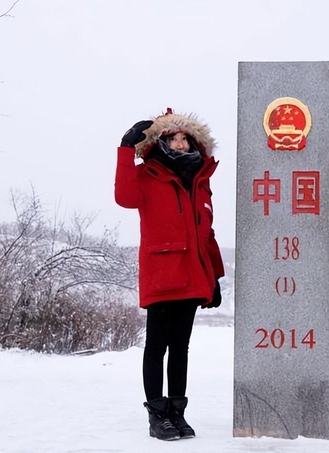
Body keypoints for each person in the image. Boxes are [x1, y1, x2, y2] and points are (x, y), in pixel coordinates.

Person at [114, 109, 225, 441]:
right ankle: (157, 415)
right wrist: (124, 149)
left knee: (181, 348)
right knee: (156, 346)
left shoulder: (200, 184)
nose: (179, 143)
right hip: (163, 274)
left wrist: (215, 276)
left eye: (184, 138)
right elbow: (124, 197)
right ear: (160, 143)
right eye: (173, 138)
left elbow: (207, 234)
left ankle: (177, 413)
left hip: (193, 277)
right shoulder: (147, 175)